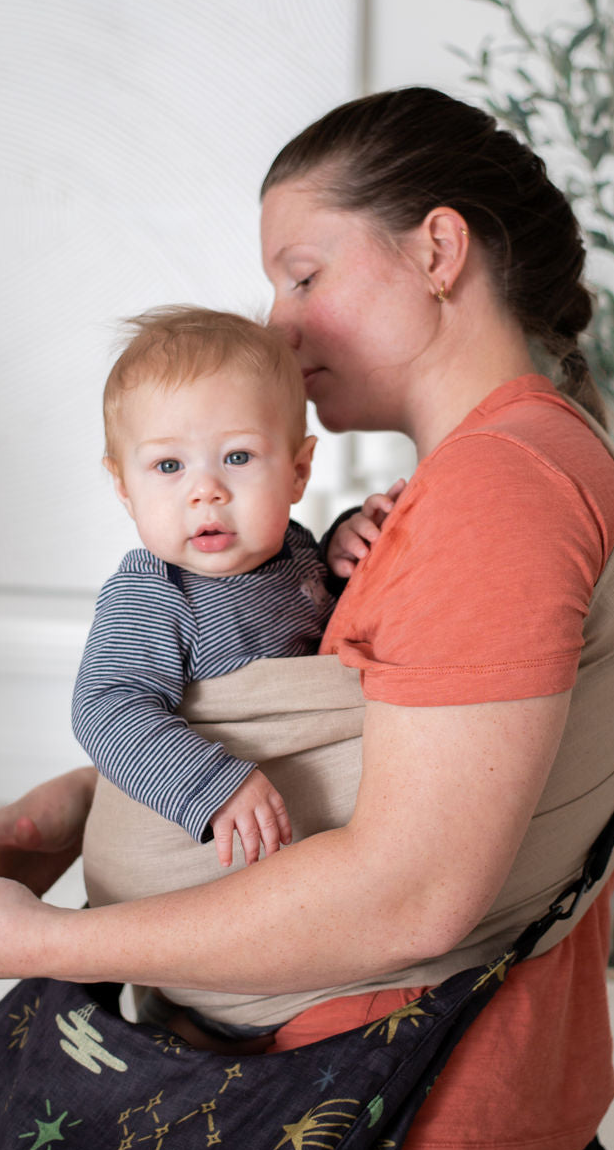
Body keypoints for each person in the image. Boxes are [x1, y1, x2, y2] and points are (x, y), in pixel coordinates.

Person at [0, 86, 614, 1150]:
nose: (279, 325)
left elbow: (411, 889)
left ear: (437, 251)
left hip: (398, 1135)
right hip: (356, 1111)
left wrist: (28, 940)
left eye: (303, 275)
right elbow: (348, 748)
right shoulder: (460, 486)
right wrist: (84, 806)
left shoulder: (500, 487)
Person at [72, 304, 392, 870]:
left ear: (298, 471)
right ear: (123, 487)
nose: (206, 491)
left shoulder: (295, 550)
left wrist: (342, 548)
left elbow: (326, 628)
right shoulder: (154, 592)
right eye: (169, 466)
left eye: (237, 457)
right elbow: (105, 706)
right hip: (206, 837)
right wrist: (212, 783)